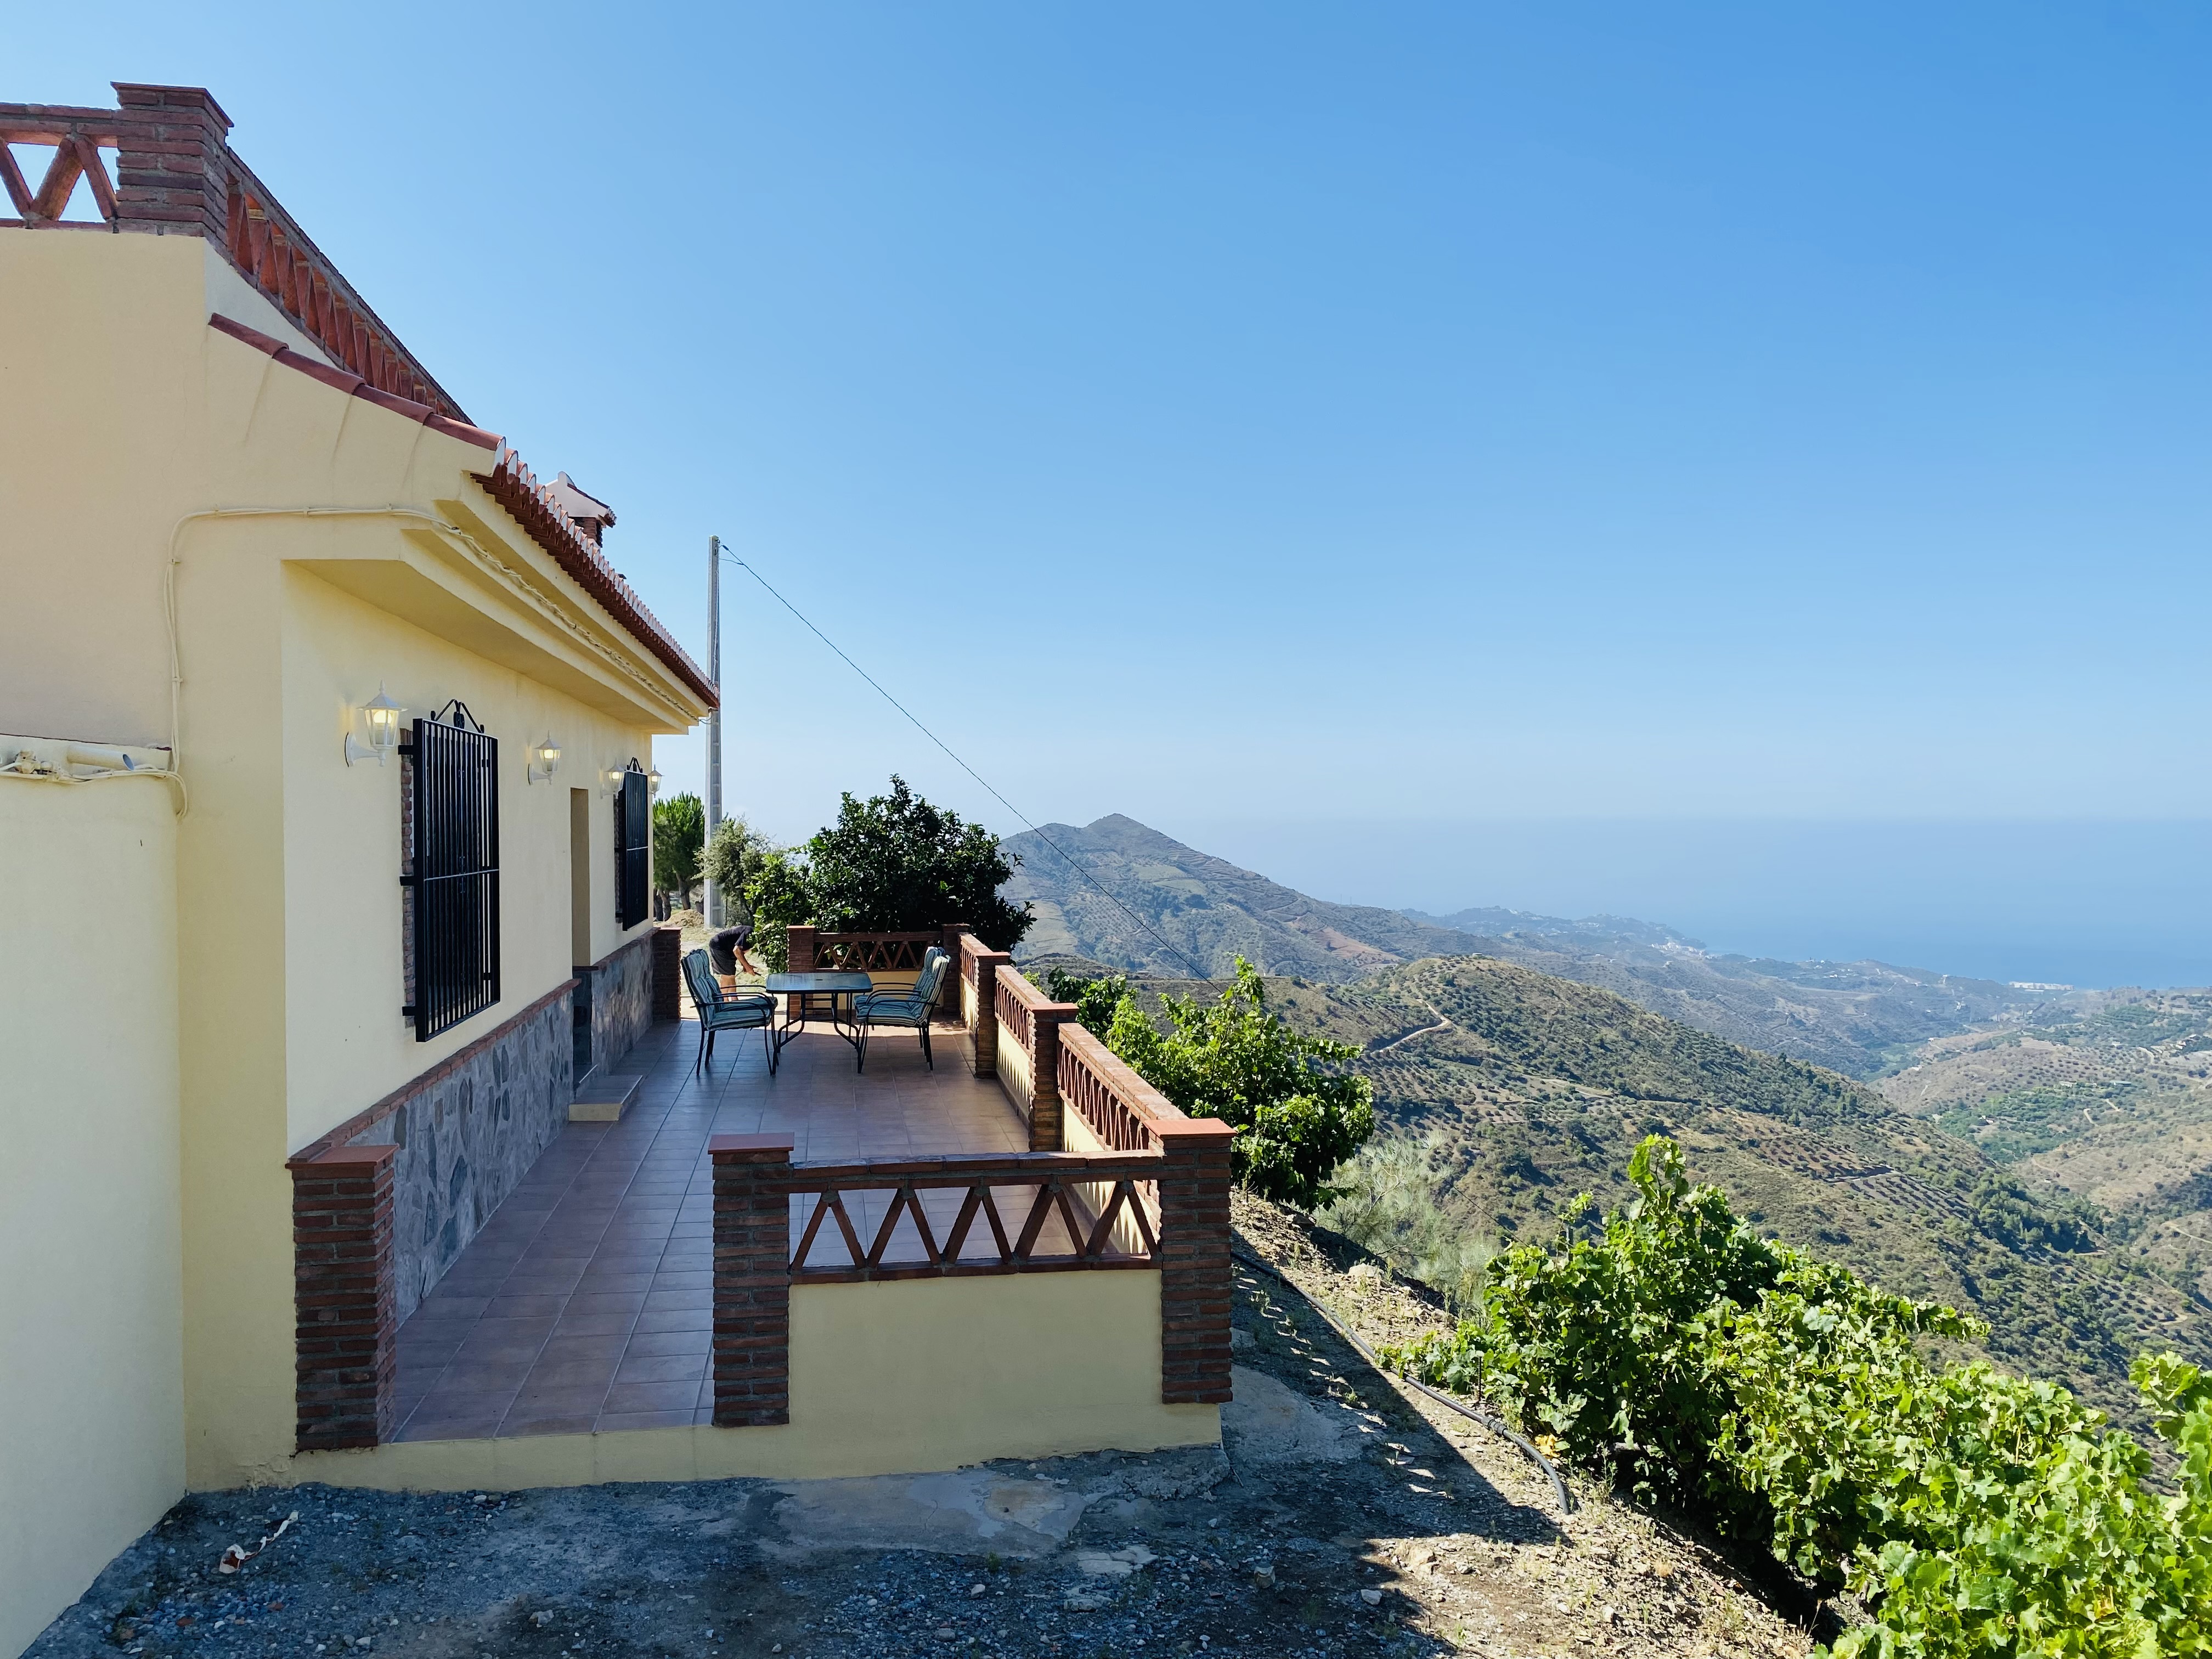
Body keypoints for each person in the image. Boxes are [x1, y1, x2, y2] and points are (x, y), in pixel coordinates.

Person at [708, 891, 760, 989]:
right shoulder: (750, 933)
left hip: (725, 948)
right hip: (719, 945)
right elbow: (737, 950)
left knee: (728, 974)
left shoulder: (754, 940)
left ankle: (729, 1001)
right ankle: (730, 1001)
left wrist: (745, 966)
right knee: (729, 975)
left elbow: (741, 952)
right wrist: (748, 967)